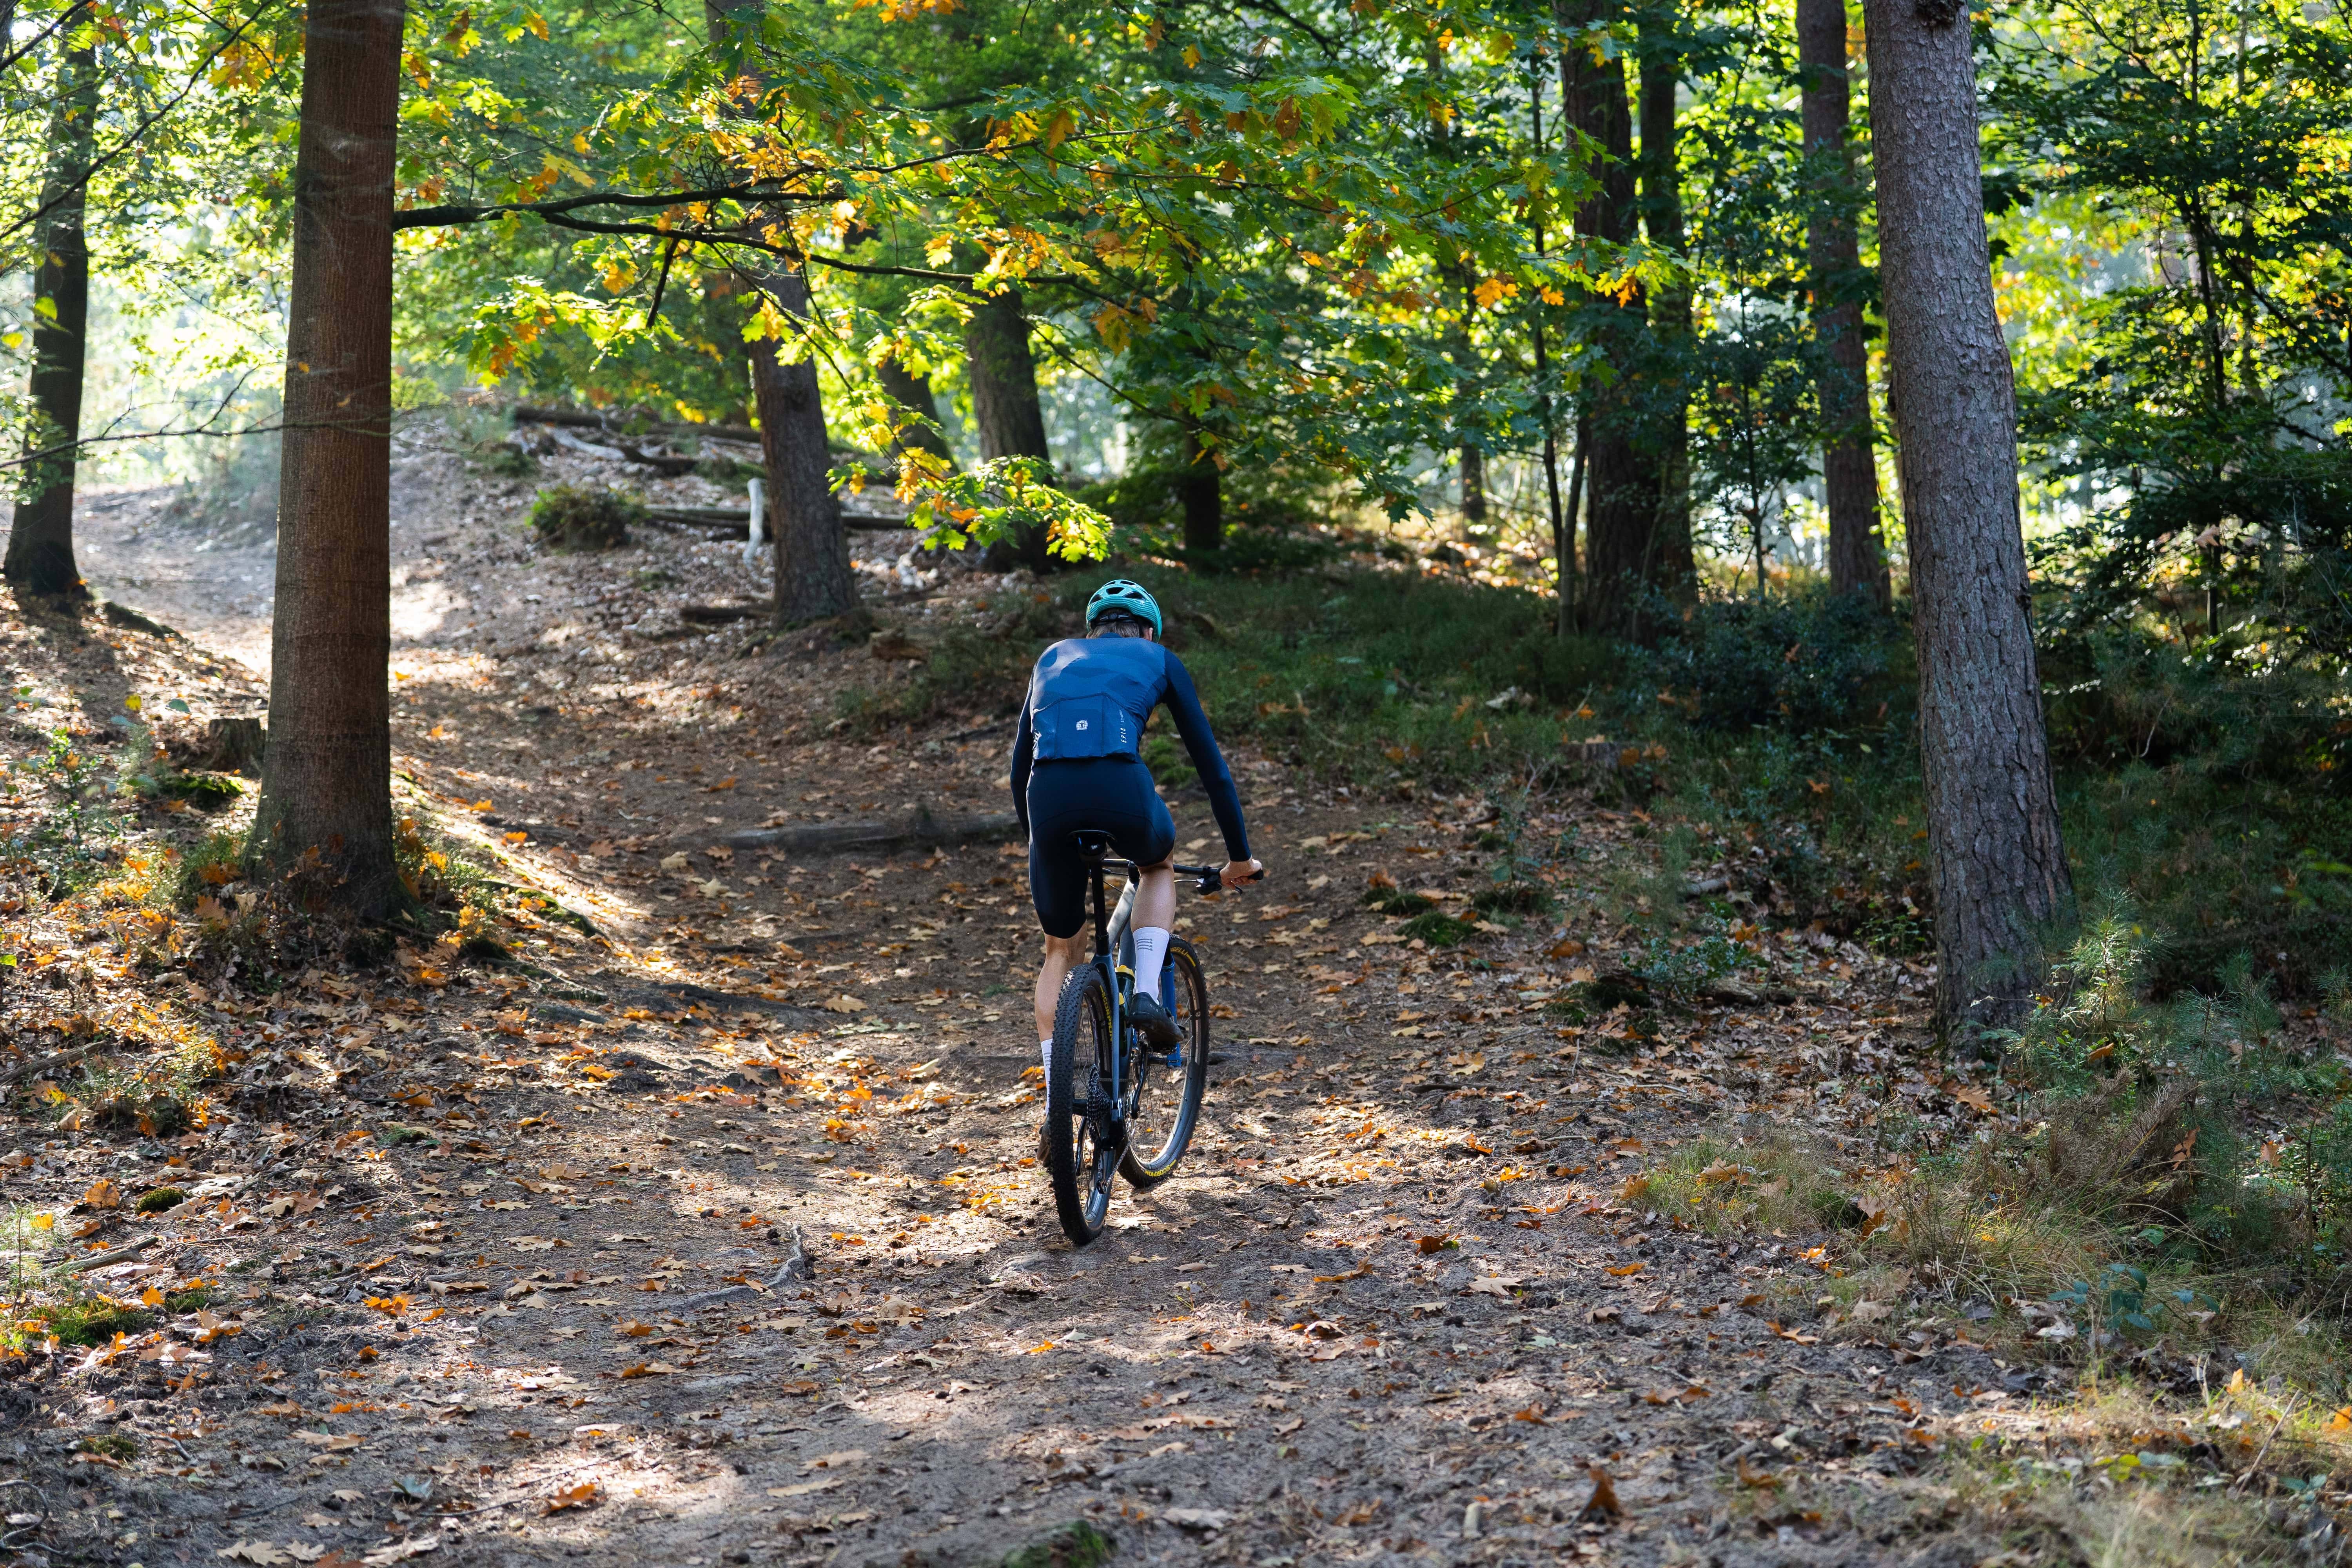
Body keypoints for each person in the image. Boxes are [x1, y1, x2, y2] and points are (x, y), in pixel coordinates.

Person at [1011, 579, 1262, 1067]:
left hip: (1047, 800)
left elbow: (1020, 770)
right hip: (1120, 788)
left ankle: (1054, 1108)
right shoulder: (1160, 658)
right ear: (1148, 631)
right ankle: (1147, 990)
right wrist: (1238, 858)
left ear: (1092, 631)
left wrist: (1041, 848)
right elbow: (1213, 770)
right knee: (1155, 864)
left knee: (1060, 949)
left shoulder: (1052, 658)